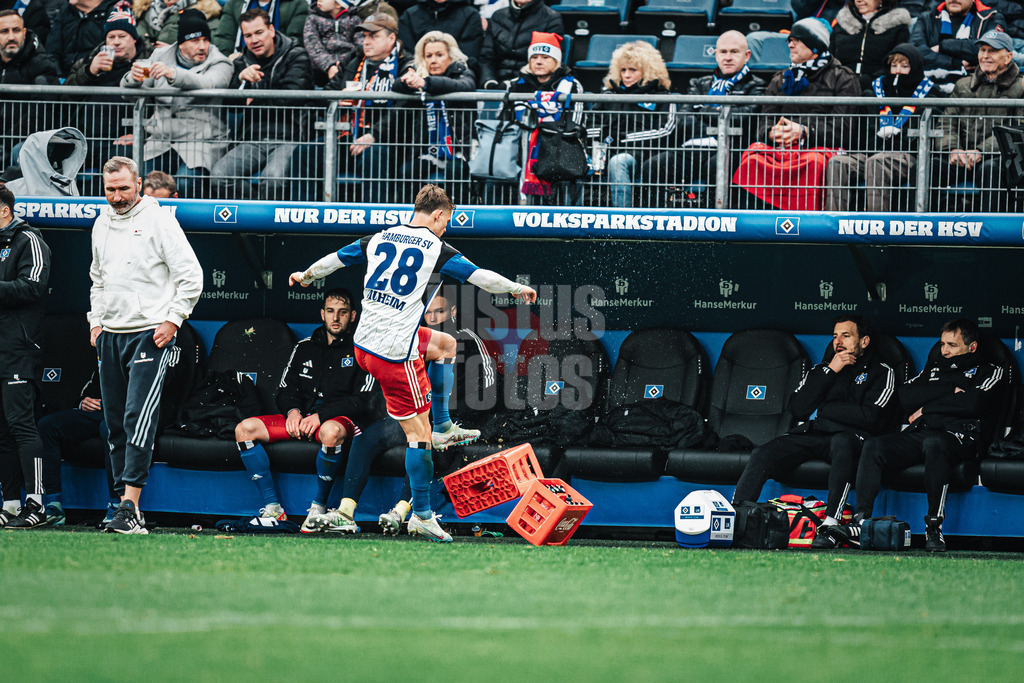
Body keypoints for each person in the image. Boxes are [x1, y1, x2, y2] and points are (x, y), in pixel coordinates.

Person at [289, 184, 537, 542]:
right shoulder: (436, 247)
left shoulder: (379, 237)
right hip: (393, 353)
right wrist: (516, 288)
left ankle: (444, 423)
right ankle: (420, 514)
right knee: (419, 438)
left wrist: (306, 275)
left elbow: (336, 259)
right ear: (437, 214)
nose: (446, 228)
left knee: (446, 344)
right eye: (446, 221)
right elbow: (480, 276)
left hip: (364, 344)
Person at [88, 156, 203, 534]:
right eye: (110, 189)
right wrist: (95, 322)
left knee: (138, 417)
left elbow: (191, 275)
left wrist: (173, 319)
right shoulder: (101, 223)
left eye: (124, 188)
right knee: (114, 423)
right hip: (111, 334)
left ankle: (131, 506)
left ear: (138, 184)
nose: (117, 196)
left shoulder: (159, 220)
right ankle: (119, 504)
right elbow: (97, 279)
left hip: (149, 333)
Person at [732, 316, 898, 548]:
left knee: (843, 443)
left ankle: (831, 523)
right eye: (835, 336)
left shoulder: (881, 372)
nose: (838, 341)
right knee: (763, 453)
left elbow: (871, 418)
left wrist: (827, 409)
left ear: (864, 341)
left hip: (852, 438)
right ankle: (736, 517)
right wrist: (831, 371)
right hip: (817, 433)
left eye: (846, 336)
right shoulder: (823, 369)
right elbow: (798, 408)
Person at [852, 319, 1006, 552]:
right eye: (942, 344)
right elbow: (905, 396)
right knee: (874, 445)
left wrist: (926, 407)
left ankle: (934, 526)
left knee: (935, 443)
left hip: (960, 435)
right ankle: (861, 522)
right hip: (923, 431)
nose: (944, 350)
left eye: (952, 345)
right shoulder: (934, 368)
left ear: (971, 347)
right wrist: (948, 391)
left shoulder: (991, 370)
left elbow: (973, 403)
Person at [234, 288, 383, 524]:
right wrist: (293, 412)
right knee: (244, 429)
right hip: (302, 420)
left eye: (343, 312)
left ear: (353, 316)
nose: (336, 318)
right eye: (331, 311)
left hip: (338, 421)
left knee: (330, 432)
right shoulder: (304, 346)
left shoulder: (362, 350)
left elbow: (363, 401)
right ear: (322, 314)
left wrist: (320, 416)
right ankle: (273, 508)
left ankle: (318, 507)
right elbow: (285, 390)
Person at [732, 18, 860, 211]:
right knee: (752, 156)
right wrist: (771, 132)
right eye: (790, 40)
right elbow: (765, 120)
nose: (790, 45)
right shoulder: (781, 77)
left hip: (820, 148)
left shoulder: (843, 77)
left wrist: (805, 131)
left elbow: (844, 129)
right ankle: (752, 220)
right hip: (782, 147)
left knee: (814, 162)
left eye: (797, 40)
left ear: (815, 45)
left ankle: (806, 222)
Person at [640, 31, 765, 209]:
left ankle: (713, 221)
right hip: (692, 147)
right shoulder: (699, 83)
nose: (728, 57)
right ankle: (655, 219)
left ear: (747, 56)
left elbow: (741, 120)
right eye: (723, 52)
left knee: (716, 167)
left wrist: (701, 109)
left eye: (734, 52)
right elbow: (683, 121)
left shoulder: (757, 85)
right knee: (653, 166)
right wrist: (718, 114)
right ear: (716, 55)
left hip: (731, 148)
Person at [121, 9, 233, 195]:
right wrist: (133, 78)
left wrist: (174, 74)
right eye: (195, 41)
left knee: (186, 182)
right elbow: (131, 93)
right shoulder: (160, 55)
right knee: (142, 182)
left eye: (205, 40)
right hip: (161, 141)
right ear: (181, 44)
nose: (202, 46)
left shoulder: (221, 62)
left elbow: (208, 83)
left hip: (201, 143)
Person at [210, 8, 313, 201]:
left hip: (290, 138)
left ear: (271, 30)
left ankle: (269, 221)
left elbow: (292, 96)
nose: (254, 40)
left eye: (259, 32)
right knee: (220, 175)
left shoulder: (296, 55)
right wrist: (241, 80)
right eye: (248, 35)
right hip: (252, 139)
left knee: (273, 178)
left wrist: (255, 96)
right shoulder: (241, 62)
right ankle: (253, 214)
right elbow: (230, 104)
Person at [824, 43, 936, 212]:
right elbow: (863, 139)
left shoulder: (929, 94)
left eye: (904, 67)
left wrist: (889, 140)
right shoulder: (875, 92)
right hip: (873, 154)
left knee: (877, 162)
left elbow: (915, 144)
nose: (897, 71)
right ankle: (835, 220)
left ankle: (876, 222)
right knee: (838, 163)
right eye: (894, 66)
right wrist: (878, 139)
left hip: (907, 158)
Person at [0, 184, 52, 529]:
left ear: (4, 209)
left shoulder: (29, 239)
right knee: (2, 431)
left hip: (18, 350)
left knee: (21, 427)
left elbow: (33, 286)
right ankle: (10, 504)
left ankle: (37, 504)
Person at [326, 10, 413, 204]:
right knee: (307, 152)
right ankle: (307, 218)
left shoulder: (407, 65)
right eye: (364, 36)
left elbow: (403, 108)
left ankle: (373, 218)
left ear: (391, 38)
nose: (366, 42)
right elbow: (325, 93)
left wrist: (374, 135)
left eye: (373, 36)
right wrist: (338, 100)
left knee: (374, 156)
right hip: (346, 136)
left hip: (388, 142)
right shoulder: (353, 60)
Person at [932, 30, 1024, 212]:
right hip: (962, 158)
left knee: (990, 170)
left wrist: (981, 151)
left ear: (1008, 57)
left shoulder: (1021, 87)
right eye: (983, 50)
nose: (985, 56)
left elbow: (1018, 128)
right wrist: (953, 149)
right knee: (930, 167)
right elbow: (947, 122)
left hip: (1001, 160)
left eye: (993, 51)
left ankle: (991, 228)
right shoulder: (962, 85)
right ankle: (917, 225)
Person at [591, 40, 678, 208]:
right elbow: (589, 126)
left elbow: (666, 130)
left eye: (633, 70)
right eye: (623, 70)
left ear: (648, 71)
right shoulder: (608, 96)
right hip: (604, 150)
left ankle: (622, 216)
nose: (627, 75)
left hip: (644, 154)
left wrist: (622, 138)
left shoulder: (662, 96)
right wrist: (606, 134)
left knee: (618, 161)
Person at [398, 30, 476, 202]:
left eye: (439, 55)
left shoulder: (462, 70)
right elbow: (396, 86)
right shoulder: (418, 73)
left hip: (459, 150)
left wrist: (427, 83)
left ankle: (458, 214)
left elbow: (466, 85)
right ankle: (413, 214)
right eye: (429, 56)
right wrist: (407, 82)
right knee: (408, 171)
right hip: (428, 151)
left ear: (450, 56)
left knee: (455, 171)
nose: (433, 60)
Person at [509, 31, 584, 205]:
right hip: (520, 148)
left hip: (559, 148)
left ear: (556, 61)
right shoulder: (516, 84)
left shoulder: (571, 85)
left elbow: (577, 120)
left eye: (545, 57)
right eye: (534, 57)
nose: (538, 61)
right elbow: (505, 117)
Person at [0, 9, 60, 170]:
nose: (11, 37)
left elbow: (41, 115)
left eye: (16, 30)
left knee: (21, 151)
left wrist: (6, 142)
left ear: (24, 33)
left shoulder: (41, 64)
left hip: (24, 141)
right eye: (4, 31)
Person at [911, 0, 1006, 91]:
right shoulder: (927, 17)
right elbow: (914, 53)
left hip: (976, 86)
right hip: (930, 86)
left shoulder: (991, 17)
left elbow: (990, 50)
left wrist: (943, 46)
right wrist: (955, 63)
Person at [830, 0, 912, 93]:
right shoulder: (842, 23)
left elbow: (895, 62)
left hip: (879, 88)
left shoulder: (897, 26)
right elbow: (831, 59)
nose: (859, 0)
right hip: (840, 86)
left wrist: (869, 81)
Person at [303, 0, 390, 85]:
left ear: (338, 4)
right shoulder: (313, 19)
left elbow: (360, 44)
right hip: (320, 71)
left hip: (348, 69)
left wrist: (345, 65)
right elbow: (312, 45)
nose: (319, 1)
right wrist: (329, 66)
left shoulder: (353, 19)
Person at [478, 0, 561, 88]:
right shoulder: (498, 16)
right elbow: (486, 56)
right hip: (496, 83)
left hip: (529, 86)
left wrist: (517, 84)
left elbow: (550, 62)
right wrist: (489, 81)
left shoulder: (551, 18)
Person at [397, 0, 483, 67]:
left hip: (456, 76)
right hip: (417, 74)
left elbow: (468, 56)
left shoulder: (470, 15)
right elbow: (407, 54)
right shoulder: (410, 15)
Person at [46, 0, 119, 77]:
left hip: (98, 77)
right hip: (66, 78)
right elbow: (52, 52)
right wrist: (58, 77)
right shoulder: (66, 11)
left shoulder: (114, 12)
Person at [213, 0, 308, 57]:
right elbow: (224, 38)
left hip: (280, 66)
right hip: (240, 65)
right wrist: (229, 61)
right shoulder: (235, 4)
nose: (254, 40)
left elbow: (295, 41)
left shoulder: (296, 4)